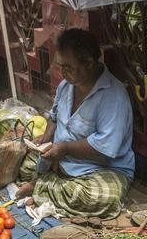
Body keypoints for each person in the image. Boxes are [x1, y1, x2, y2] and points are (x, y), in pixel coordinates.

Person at [13, 28, 135, 220]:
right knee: (22, 160)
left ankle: (41, 187)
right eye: (61, 66)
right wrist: (46, 137)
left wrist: (65, 148)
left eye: (68, 67)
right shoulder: (66, 86)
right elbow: (54, 116)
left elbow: (105, 148)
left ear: (88, 63)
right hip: (61, 161)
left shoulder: (114, 97)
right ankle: (49, 186)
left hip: (101, 169)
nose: (63, 73)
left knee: (99, 198)